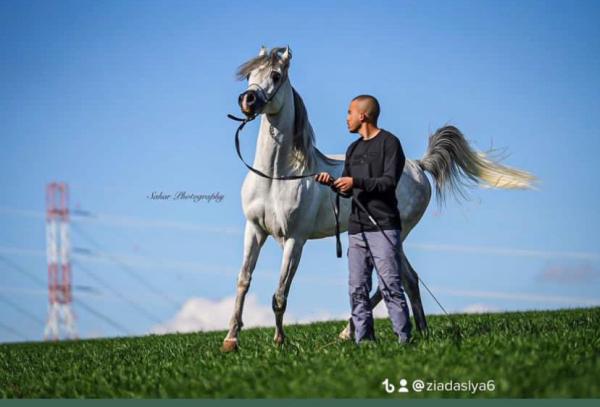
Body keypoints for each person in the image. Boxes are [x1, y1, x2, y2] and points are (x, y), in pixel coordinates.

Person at [315, 94, 412, 345]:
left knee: (390, 286)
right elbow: (348, 191)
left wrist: (355, 182)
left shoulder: (390, 143)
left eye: (349, 112)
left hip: (384, 226)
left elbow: (388, 183)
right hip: (356, 228)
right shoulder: (353, 149)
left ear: (363, 115)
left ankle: (404, 340)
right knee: (357, 288)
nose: (346, 118)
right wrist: (333, 184)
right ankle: (364, 341)